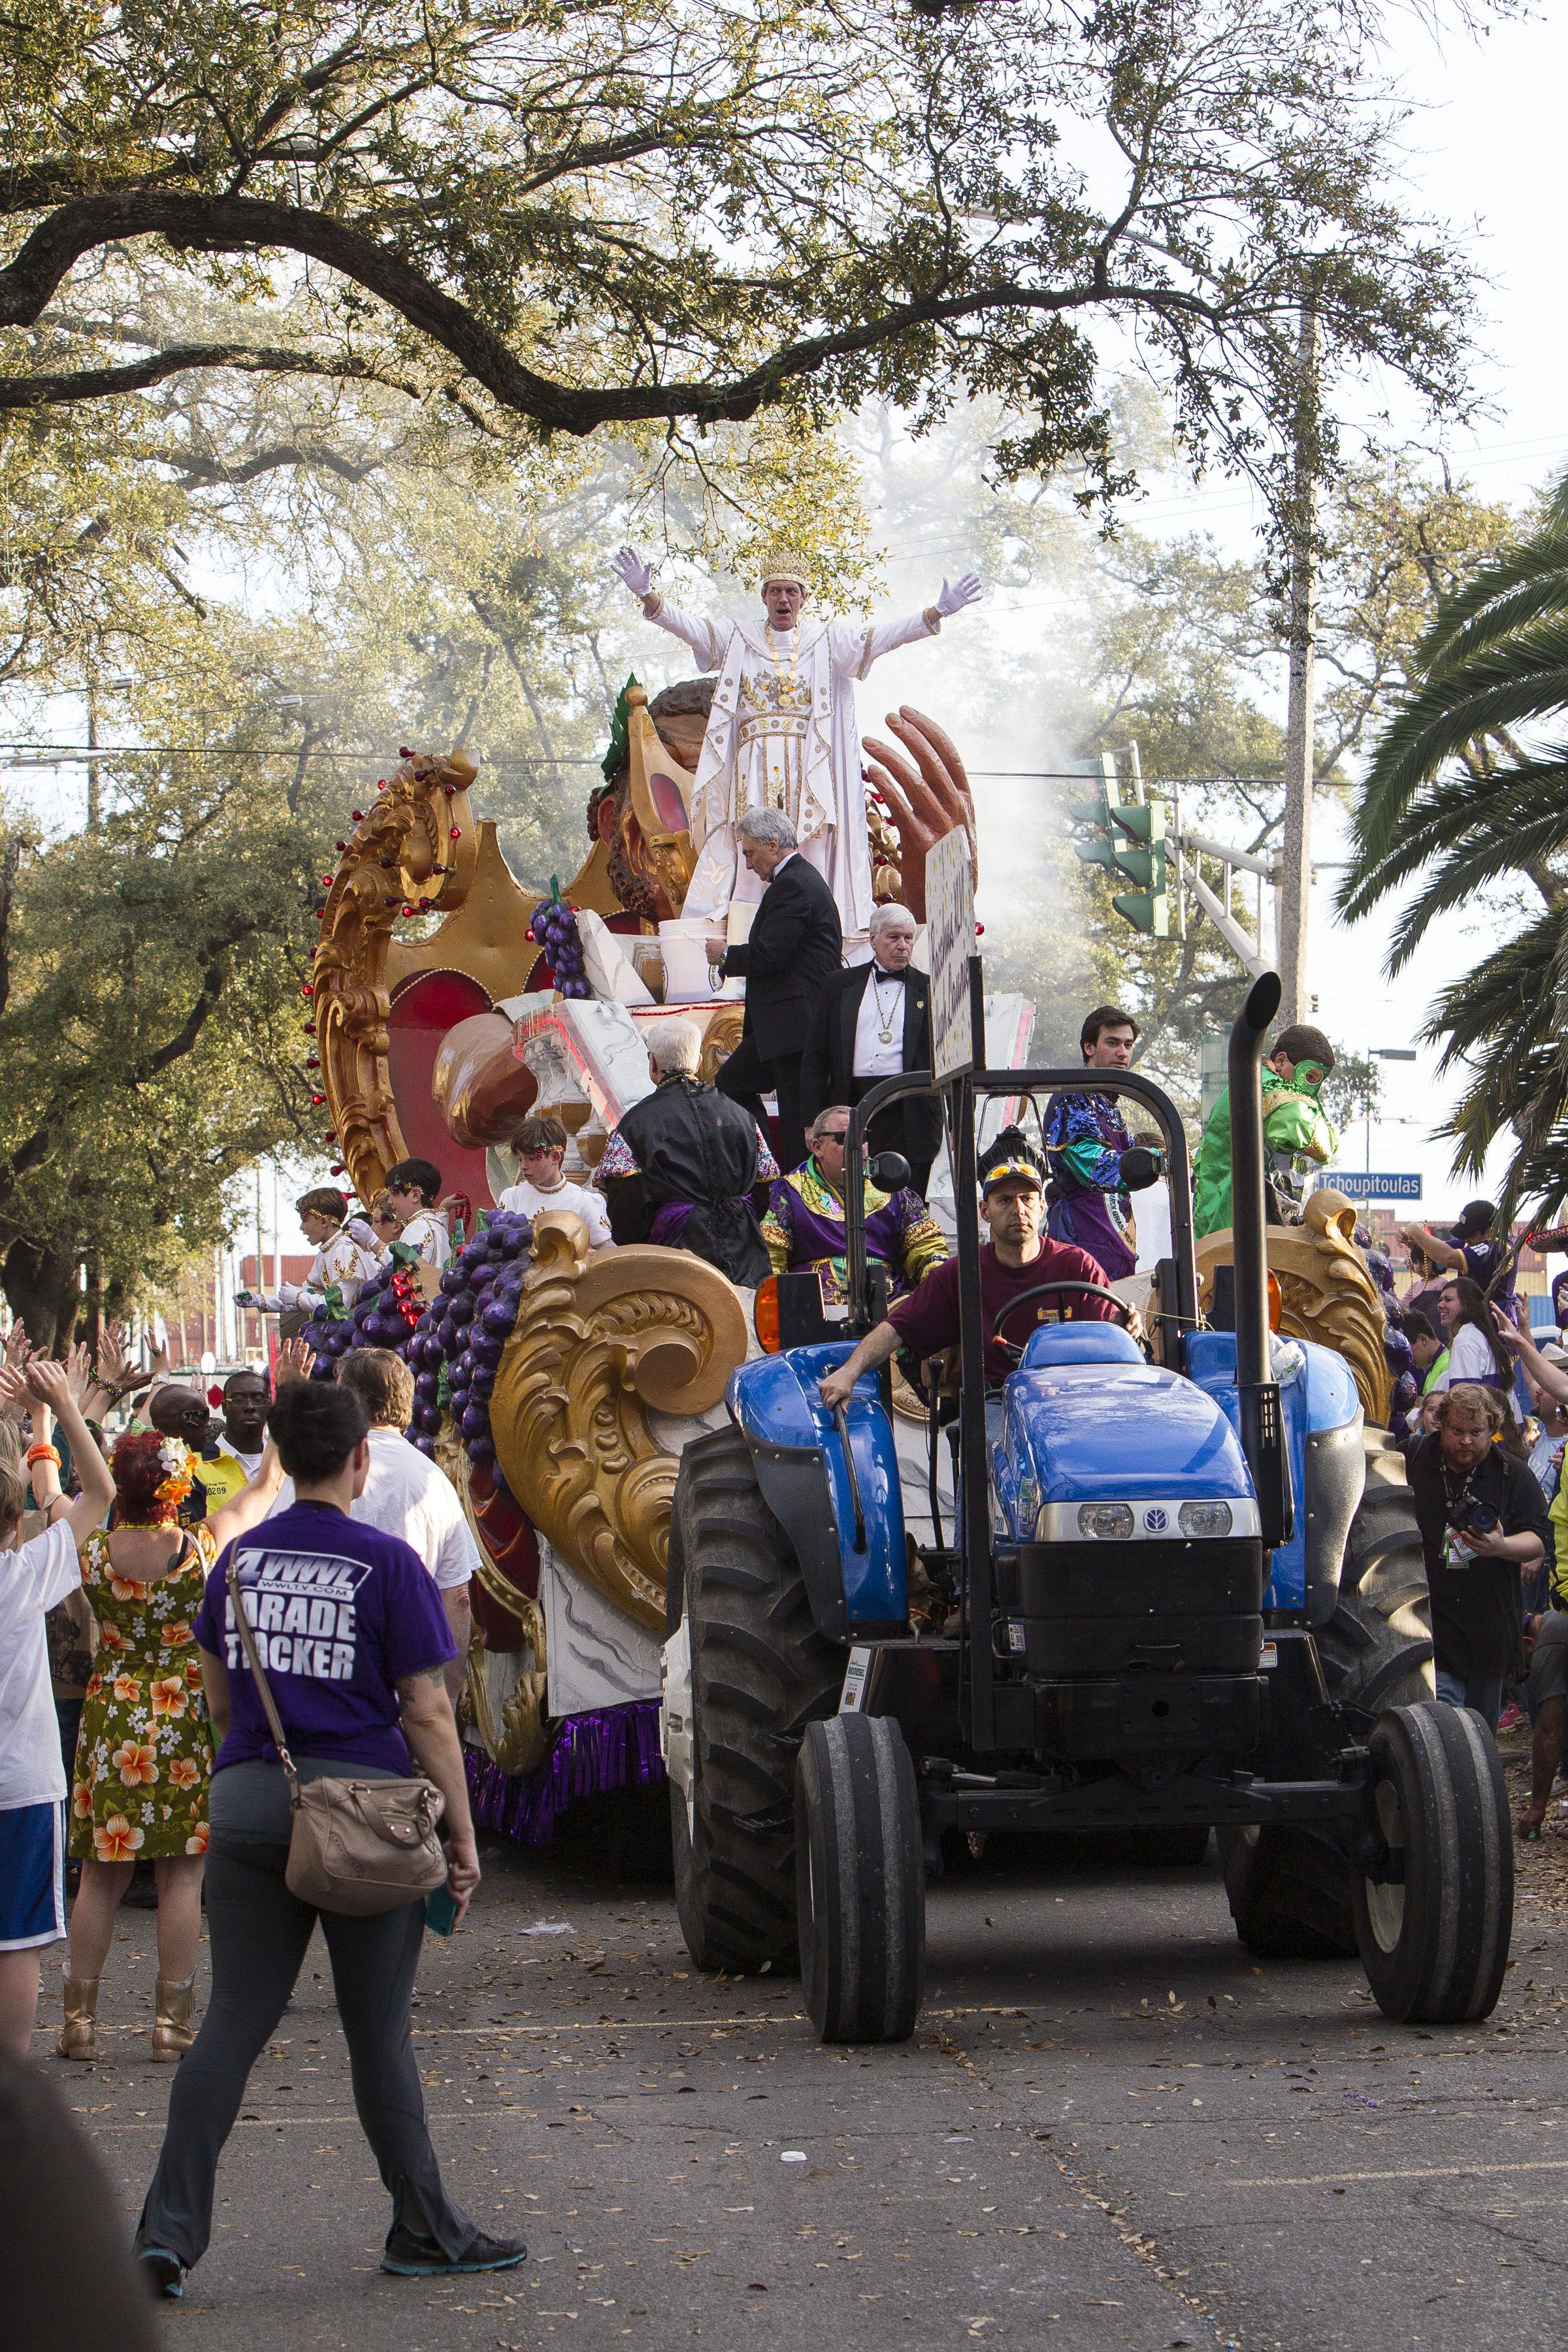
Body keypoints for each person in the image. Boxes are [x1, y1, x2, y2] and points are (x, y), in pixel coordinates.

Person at [134, 1380, 521, 2298]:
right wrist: (462, 1832)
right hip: (365, 1814)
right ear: (359, 1460)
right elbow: (427, 1711)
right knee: (378, 2033)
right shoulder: (387, 1565)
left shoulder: (236, 1562)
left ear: (281, 1458)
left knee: (233, 2020)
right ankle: (423, 2228)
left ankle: (165, 2237)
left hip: (251, 1800)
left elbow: (220, 1701)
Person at [56, 1406, 285, 2065]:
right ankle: (170, 2025)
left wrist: (56, 1418)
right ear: (177, 1486)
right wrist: (286, 1398)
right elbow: (266, 1485)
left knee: (100, 1877)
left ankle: (78, 2022)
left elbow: (52, 1494)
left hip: (111, 1718)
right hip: (182, 1715)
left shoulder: (91, 1551)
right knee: (181, 1878)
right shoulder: (201, 1549)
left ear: (120, 1489)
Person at [612, 543, 982, 936]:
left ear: (803, 598)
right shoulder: (739, 638)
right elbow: (690, 627)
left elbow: (882, 638)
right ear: (764, 597)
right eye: (775, 590)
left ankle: (816, 939)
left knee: (811, 854)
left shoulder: (827, 640)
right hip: (753, 771)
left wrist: (935, 612)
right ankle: (749, 942)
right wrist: (647, 594)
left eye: (791, 591)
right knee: (753, 853)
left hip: (809, 771)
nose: (783, 599)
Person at [818, 1127, 1124, 1409]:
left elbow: (1109, 1338)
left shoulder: (1079, 1266)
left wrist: (1124, 1326)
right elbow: (897, 1328)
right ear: (985, 1210)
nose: (1018, 1209)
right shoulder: (963, 1273)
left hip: (1071, 1400)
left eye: (1027, 1199)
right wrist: (848, 1373)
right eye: (1005, 1200)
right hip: (999, 1403)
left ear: (1042, 1206)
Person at [0, 1360, 115, 2061]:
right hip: (21, 1786)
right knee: (16, 1942)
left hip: (25, 1784)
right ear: (13, 1520)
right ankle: (11, 2093)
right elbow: (99, 1494)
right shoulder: (22, 1575)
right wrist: (63, 1410)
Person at [270, 1350, 478, 1701]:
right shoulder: (434, 1481)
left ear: (347, 1402)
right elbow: (457, 1599)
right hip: (404, 1689)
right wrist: (447, 1700)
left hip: (314, 1684)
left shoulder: (317, 1471)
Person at [704, 806, 843, 1173]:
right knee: (735, 1081)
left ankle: (784, 1178)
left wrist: (726, 955)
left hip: (795, 1026)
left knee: (798, 1115)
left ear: (772, 844)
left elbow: (770, 953)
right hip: (787, 1025)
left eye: (750, 853)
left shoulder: (793, 884)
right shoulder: (797, 880)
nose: (749, 865)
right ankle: (768, 1165)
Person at [1403, 1383, 1548, 1732]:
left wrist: (1501, 1547)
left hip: (1488, 1626)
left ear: (1492, 1429)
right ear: (1441, 1424)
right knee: (1446, 1724)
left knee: (1481, 1733)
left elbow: (1539, 1541)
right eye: (1457, 1431)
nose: (1466, 1441)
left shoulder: (1511, 1472)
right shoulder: (1413, 1458)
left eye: (1476, 1433)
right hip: (1427, 1621)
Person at [598, 1018, 779, 1284]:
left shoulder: (635, 1124)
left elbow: (625, 1204)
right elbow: (766, 1186)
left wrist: (645, 1241)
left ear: (653, 1062)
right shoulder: (741, 1116)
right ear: (697, 1061)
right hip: (745, 1252)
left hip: (674, 1258)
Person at [799, 902, 943, 1196]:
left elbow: (946, 1056)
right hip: (852, 1105)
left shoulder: (930, 989)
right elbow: (816, 1057)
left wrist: (957, 1119)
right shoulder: (838, 985)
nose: (902, 946)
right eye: (894, 937)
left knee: (909, 1200)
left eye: (909, 938)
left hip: (910, 1110)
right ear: (873, 940)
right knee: (851, 1195)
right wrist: (812, 1120)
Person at [762, 1105, 947, 1307]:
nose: (856, 1145)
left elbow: (926, 1248)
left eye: (862, 1137)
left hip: (890, 1309)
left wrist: (937, 1286)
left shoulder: (893, 1191)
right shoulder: (788, 1192)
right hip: (811, 1311)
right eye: (843, 1138)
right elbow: (772, 1259)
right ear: (817, 1147)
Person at [1191, 1023, 1337, 1239]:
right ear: (1281, 1061)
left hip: (1243, 1232)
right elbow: (1322, 1145)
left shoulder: (1264, 1083)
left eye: (1318, 1082)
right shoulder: (1263, 1084)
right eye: (1310, 1077)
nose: (1311, 1091)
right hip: (1230, 1233)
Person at [1041, 1005, 1140, 1281]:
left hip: (1112, 1241)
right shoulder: (1074, 1097)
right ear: (1089, 1047)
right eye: (1113, 1043)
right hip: (1082, 1235)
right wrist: (1153, 1163)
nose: (1123, 1053)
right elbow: (1094, 1166)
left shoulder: (1106, 1102)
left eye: (1128, 1045)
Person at [236, 1187, 383, 1331]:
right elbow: (308, 1296)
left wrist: (298, 1297)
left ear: (324, 1222)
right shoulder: (325, 1253)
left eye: (305, 1220)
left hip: (364, 1330)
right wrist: (258, 1300)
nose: (302, 1228)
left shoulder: (345, 1250)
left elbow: (340, 1306)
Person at [497, 1114, 613, 1247]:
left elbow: (607, 1254)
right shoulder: (512, 1197)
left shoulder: (585, 1202)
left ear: (555, 1157)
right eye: (520, 1159)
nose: (523, 1166)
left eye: (530, 1159)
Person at [1432, 1275, 1520, 1433]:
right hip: (1502, 1431)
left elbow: (1466, 1402)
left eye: (1448, 1300)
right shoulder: (1481, 1336)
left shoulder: (1465, 1340)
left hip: (1484, 1434)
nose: (1440, 1305)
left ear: (1466, 1306)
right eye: (1441, 1300)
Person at [1397, 1199, 1514, 1310]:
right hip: (1474, 1316)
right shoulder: (1473, 1240)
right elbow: (1434, 1252)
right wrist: (1412, 1240)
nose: (1465, 1238)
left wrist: (1415, 1231)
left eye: (1470, 1234)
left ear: (1490, 1232)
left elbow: (1447, 1257)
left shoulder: (1499, 1248)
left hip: (1495, 1319)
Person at [192, 1368, 271, 1511]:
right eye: (239, 1400)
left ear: (269, 1406)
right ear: (224, 1408)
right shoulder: (196, 1464)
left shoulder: (282, 1463)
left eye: (259, 1399)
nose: (250, 1407)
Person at [383, 1160, 453, 1271]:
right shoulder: (436, 1224)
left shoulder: (418, 1226)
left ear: (415, 1195)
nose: (389, 1201)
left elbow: (409, 1273)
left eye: (394, 1193)